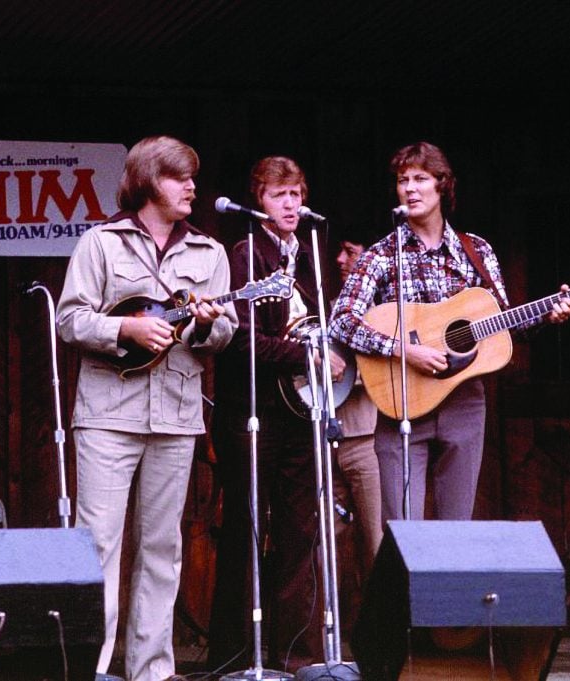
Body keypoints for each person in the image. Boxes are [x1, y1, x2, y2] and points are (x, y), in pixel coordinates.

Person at [56, 135, 236, 681]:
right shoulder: (101, 244)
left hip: (177, 416)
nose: (191, 187)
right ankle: (93, 669)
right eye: (179, 177)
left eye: (192, 177)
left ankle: (151, 671)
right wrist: (125, 327)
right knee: (99, 546)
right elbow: (69, 320)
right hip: (107, 415)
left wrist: (205, 323)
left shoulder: (210, 252)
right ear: (148, 182)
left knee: (162, 548)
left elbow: (223, 332)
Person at [329, 141, 570, 523]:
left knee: (456, 529)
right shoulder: (382, 255)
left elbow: (505, 323)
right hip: (403, 402)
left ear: (442, 185)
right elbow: (342, 321)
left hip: (464, 402)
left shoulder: (475, 250)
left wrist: (548, 315)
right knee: (403, 532)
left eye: (420, 179)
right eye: (402, 180)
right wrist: (402, 350)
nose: (410, 188)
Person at [208, 156, 347, 674]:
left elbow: (319, 326)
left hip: (299, 413)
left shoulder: (310, 253)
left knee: (298, 532)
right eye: (278, 195)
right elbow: (242, 341)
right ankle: (236, 656)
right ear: (259, 201)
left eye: (296, 194)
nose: (290, 204)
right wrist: (305, 356)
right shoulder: (246, 254)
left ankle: (297, 657)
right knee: (246, 530)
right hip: (252, 411)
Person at [330, 225, 383, 590]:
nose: (340, 260)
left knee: (378, 540)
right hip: (328, 438)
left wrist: (344, 373)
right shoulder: (335, 307)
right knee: (323, 541)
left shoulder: (387, 309)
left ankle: (389, 640)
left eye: (349, 251)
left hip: (370, 438)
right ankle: (320, 641)